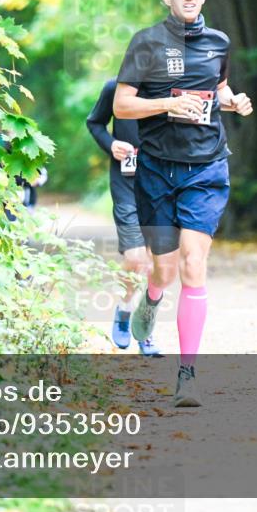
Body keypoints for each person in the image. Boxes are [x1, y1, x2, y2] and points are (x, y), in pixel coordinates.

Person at [112, 0, 252, 407]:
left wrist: (233, 101)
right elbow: (122, 106)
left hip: (206, 167)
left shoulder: (219, 42)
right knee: (165, 270)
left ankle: (187, 375)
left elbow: (219, 88)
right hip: (156, 169)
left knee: (194, 264)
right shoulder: (146, 43)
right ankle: (151, 300)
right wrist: (166, 105)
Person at [86, 78, 160, 356]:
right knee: (135, 258)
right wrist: (112, 143)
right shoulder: (114, 88)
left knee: (157, 266)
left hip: (163, 186)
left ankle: (145, 329)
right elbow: (95, 123)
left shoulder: (171, 90)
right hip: (126, 184)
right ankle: (125, 308)